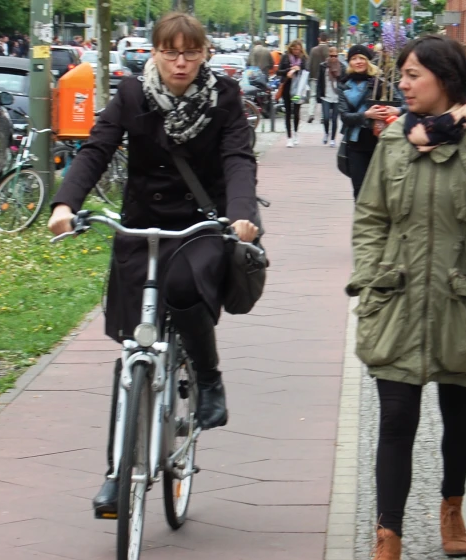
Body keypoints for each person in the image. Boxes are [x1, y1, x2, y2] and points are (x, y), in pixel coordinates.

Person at [47, 12, 259, 518]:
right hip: (142, 227)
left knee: (186, 287)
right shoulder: (131, 96)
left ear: (205, 52)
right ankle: (117, 476)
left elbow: (237, 159)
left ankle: (208, 379)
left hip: (200, 226)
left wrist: (242, 215)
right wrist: (65, 203)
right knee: (131, 355)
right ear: (155, 53)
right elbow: (97, 148)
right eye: (170, 52)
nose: (180, 62)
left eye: (190, 51)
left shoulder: (224, 98)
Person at [348, 35, 466, 560]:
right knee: (396, 416)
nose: (404, 84)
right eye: (404, 74)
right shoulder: (394, 139)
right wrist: (369, 278)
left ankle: (452, 508)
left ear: (445, 77)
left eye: (414, 74)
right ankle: (388, 540)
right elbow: (371, 216)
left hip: (465, 298)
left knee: (458, 411)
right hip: (397, 297)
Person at [337, 45, 400, 200]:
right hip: (356, 145)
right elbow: (345, 116)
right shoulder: (344, 85)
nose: (358, 62)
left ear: (368, 61)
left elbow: (403, 104)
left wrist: (394, 111)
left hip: (381, 143)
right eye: (354, 59)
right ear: (349, 63)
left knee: (381, 191)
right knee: (359, 191)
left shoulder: (381, 82)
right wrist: (367, 114)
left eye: (362, 58)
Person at [277, 40, 307, 148]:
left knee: (296, 111)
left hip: (297, 89)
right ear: (291, 48)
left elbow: (306, 72)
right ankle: (289, 137)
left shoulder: (303, 58)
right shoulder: (285, 57)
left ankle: (296, 133)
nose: (296, 51)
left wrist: (299, 69)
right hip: (287, 88)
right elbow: (278, 71)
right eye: (294, 49)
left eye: (298, 49)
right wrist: (289, 70)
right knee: (288, 112)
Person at [317, 46, 345, 147]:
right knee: (325, 118)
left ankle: (333, 139)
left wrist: (338, 77)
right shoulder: (323, 66)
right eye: (331, 55)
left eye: (335, 56)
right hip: (326, 96)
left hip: (337, 96)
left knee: (334, 119)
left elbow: (344, 81)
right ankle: (326, 133)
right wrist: (318, 95)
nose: (333, 57)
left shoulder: (342, 66)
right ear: (328, 55)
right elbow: (319, 81)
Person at [307, 32, 330, 123]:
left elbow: (309, 64)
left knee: (313, 96)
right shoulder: (329, 50)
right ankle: (323, 117)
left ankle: (311, 114)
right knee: (324, 96)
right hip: (325, 77)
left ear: (319, 39)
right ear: (327, 40)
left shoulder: (313, 50)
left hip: (314, 77)